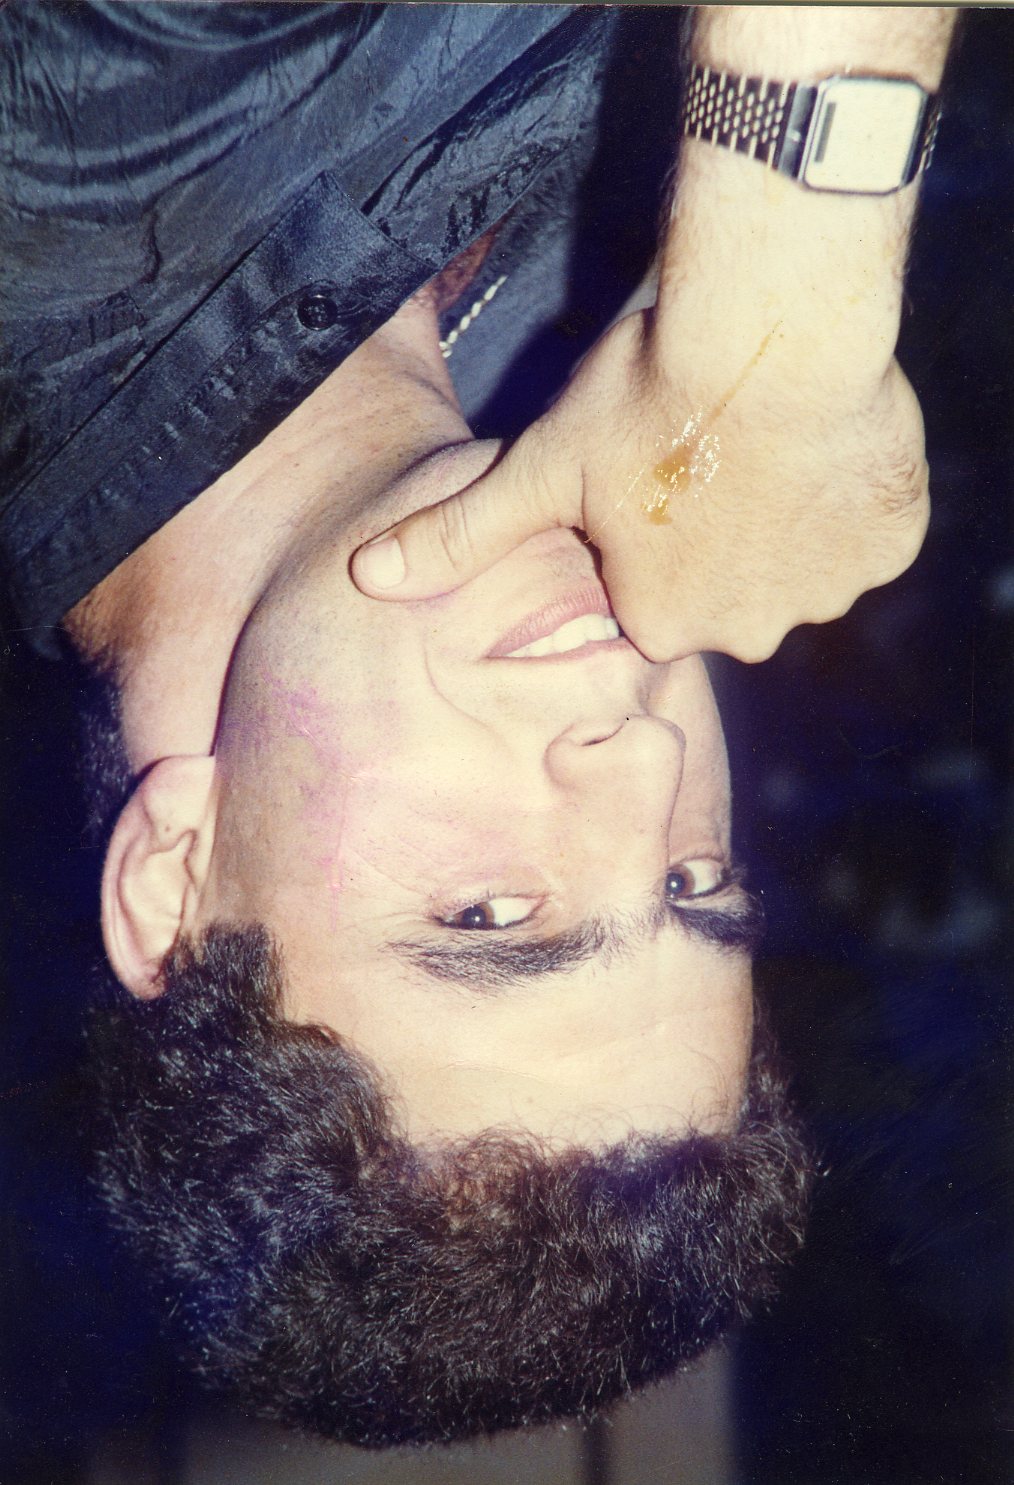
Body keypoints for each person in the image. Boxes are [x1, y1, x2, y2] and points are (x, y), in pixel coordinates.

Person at [0, 1, 953, 1450]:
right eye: (693, 882)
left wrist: (785, 305)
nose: (641, 767)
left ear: (173, 884)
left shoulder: (64, 146)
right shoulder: (585, 338)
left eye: (492, 912)